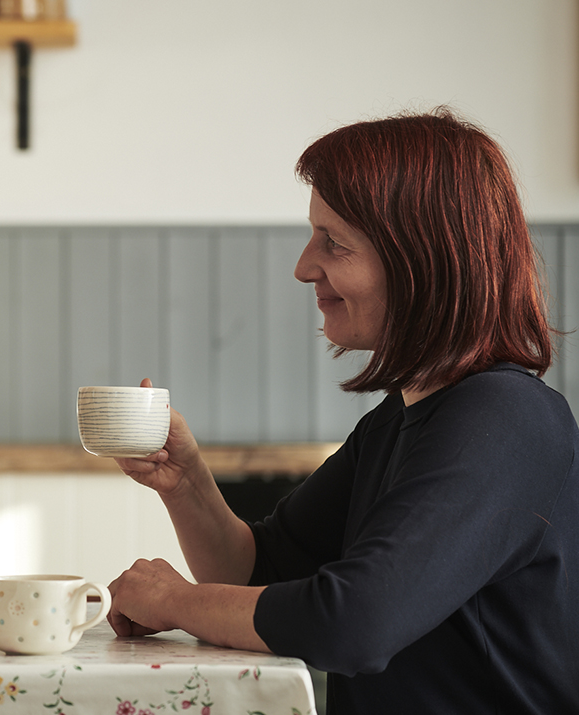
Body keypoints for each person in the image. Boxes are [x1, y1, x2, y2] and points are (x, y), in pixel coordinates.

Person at [105, 108, 579, 713]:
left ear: (421, 260)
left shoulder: (506, 418)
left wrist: (171, 602)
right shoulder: (397, 420)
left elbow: (352, 623)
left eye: (334, 242)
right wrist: (187, 482)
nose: (304, 267)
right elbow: (259, 575)